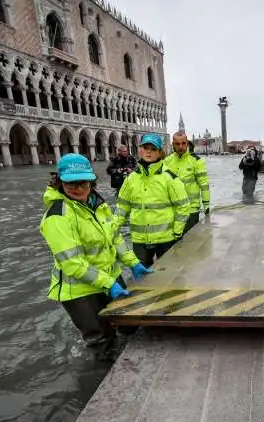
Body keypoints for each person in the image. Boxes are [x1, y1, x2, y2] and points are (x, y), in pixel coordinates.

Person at [40, 153, 152, 362]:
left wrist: (132, 262)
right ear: (59, 182)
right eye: (70, 183)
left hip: (109, 278)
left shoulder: (98, 205)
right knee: (101, 340)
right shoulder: (57, 216)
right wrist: (109, 283)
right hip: (80, 291)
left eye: (83, 183)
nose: (78, 188)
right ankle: (103, 376)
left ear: (92, 181)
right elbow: (73, 264)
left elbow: (115, 237)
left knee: (128, 323)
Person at [115, 134, 190, 267]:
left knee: (170, 273)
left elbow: (183, 206)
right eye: (145, 147)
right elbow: (122, 206)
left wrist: (177, 232)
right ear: (140, 150)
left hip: (166, 238)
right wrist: (113, 228)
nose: (148, 151)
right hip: (140, 239)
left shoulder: (169, 178)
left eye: (153, 149)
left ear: (160, 152)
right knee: (141, 278)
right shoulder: (131, 179)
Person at [164, 131, 211, 234]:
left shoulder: (197, 161)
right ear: (173, 144)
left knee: (191, 242)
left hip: (192, 210)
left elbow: (204, 185)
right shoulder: (167, 161)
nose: (180, 146)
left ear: (187, 143)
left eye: (183, 143)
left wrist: (206, 205)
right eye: (177, 144)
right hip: (173, 211)